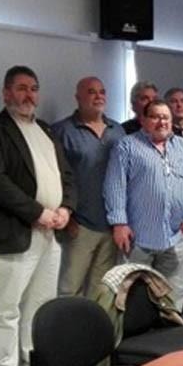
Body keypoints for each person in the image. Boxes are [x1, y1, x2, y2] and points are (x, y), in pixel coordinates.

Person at [0, 66, 74, 366]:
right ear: (6, 93)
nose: (28, 95)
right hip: (15, 231)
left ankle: (34, 361)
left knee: (41, 303)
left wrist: (66, 209)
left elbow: (66, 175)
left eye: (33, 88)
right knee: (5, 307)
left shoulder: (45, 130)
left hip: (51, 232)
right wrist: (37, 212)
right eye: (21, 88)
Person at [104, 99, 183, 309]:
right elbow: (115, 185)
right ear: (143, 120)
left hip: (175, 235)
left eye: (165, 117)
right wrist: (119, 223)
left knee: (175, 292)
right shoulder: (127, 146)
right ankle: (137, 330)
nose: (162, 122)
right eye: (155, 117)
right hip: (138, 237)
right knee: (133, 293)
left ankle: (172, 327)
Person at [52, 76, 125, 298]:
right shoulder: (62, 131)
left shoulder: (118, 131)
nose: (98, 96)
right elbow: (55, 178)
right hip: (79, 225)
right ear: (78, 97)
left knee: (102, 292)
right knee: (69, 290)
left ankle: (95, 324)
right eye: (91, 92)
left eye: (102, 91)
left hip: (111, 225)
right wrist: (67, 217)